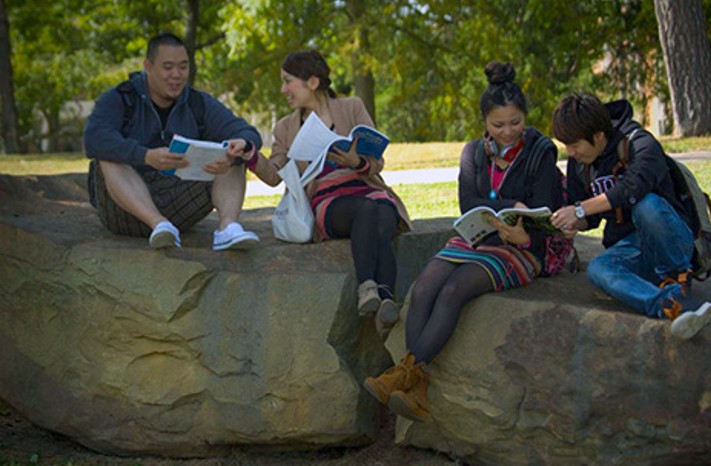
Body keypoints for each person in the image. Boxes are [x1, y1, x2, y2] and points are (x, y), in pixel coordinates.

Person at [362, 62, 566, 421]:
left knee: (454, 290)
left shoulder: (541, 150)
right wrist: (507, 207)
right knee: (425, 287)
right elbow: (468, 204)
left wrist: (521, 226)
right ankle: (416, 383)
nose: (508, 132)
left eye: (515, 123)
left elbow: (546, 210)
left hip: (522, 245)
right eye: (498, 125)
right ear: (485, 122)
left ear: (526, 118)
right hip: (478, 236)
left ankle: (404, 377)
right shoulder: (473, 152)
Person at [241, 50, 411, 332]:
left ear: (312, 82)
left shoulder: (352, 107)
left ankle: (381, 301)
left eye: (288, 81)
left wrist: (356, 162)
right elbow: (274, 175)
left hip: (365, 187)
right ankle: (371, 289)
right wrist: (251, 157)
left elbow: (377, 161)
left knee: (383, 213)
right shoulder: (285, 127)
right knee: (367, 211)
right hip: (329, 200)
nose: (283, 90)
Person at [549, 93, 711, 340]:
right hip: (631, 247)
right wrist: (574, 222)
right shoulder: (579, 163)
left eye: (574, 144)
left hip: (671, 239)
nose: (570, 152)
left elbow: (633, 188)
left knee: (646, 205)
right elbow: (589, 218)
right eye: (566, 145)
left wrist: (581, 209)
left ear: (598, 136)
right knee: (599, 268)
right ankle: (668, 305)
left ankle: (678, 279)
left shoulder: (640, 142)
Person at [84, 32, 261, 251]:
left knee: (234, 155)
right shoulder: (120, 98)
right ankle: (158, 224)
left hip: (180, 206)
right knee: (108, 155)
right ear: (148, 66)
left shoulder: (198, 102)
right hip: (122, 210)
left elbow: (247, 132)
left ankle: (228, 228)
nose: (176, 75)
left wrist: (242, 144)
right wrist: (146, 156)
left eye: (183, 67)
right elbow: (94, 139)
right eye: (167, 67)